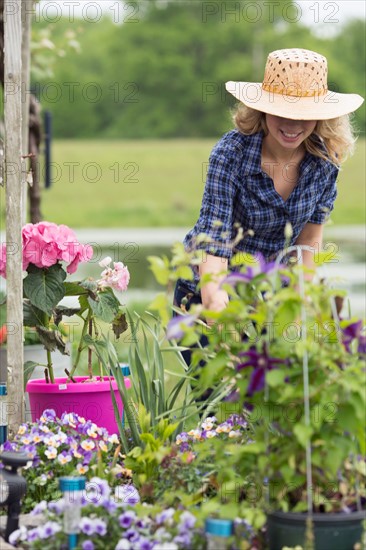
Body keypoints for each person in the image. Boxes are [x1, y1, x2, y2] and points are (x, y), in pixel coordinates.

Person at [174, 48, 364, 326]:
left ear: (321, 116)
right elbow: (213, 240)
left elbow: (309, 242)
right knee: (219, 368)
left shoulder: (325, 163)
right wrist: (216, 305)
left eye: (304, 114)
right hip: (207, 286)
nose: (292, 124)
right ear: (262, 109)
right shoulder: (231, 155)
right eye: (281, 112)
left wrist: (296, 308)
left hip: (270, 296)